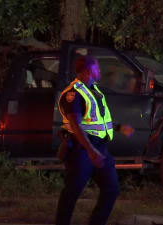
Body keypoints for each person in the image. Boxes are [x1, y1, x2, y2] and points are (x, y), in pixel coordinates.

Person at [55, 54, 119, 225]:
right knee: (72, 192)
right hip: (81, 150)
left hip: (100, 148)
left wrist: (120, 128)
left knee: (111, 188)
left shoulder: (95, 90)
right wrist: (91, 151)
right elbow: (76, 125)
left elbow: (98, 120)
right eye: (97, 67)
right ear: (89, 70)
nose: (100, 70)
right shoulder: (74, 93)